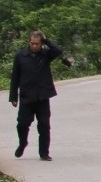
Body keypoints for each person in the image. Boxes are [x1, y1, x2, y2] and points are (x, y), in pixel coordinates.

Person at [8, 31, 72, 161]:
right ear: (29, 42)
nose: (34, 46)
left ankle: (44, 153)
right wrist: (13, 96)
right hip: (27, 96)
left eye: (37, 43)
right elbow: (15, 77)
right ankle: (22, 143)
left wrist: (46, 39)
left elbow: (58, 50)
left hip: (42, 96)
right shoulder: (20, 56)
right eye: (32, 43)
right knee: (22, 124)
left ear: (41, 44)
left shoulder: (46, 55)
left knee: (44, 125)